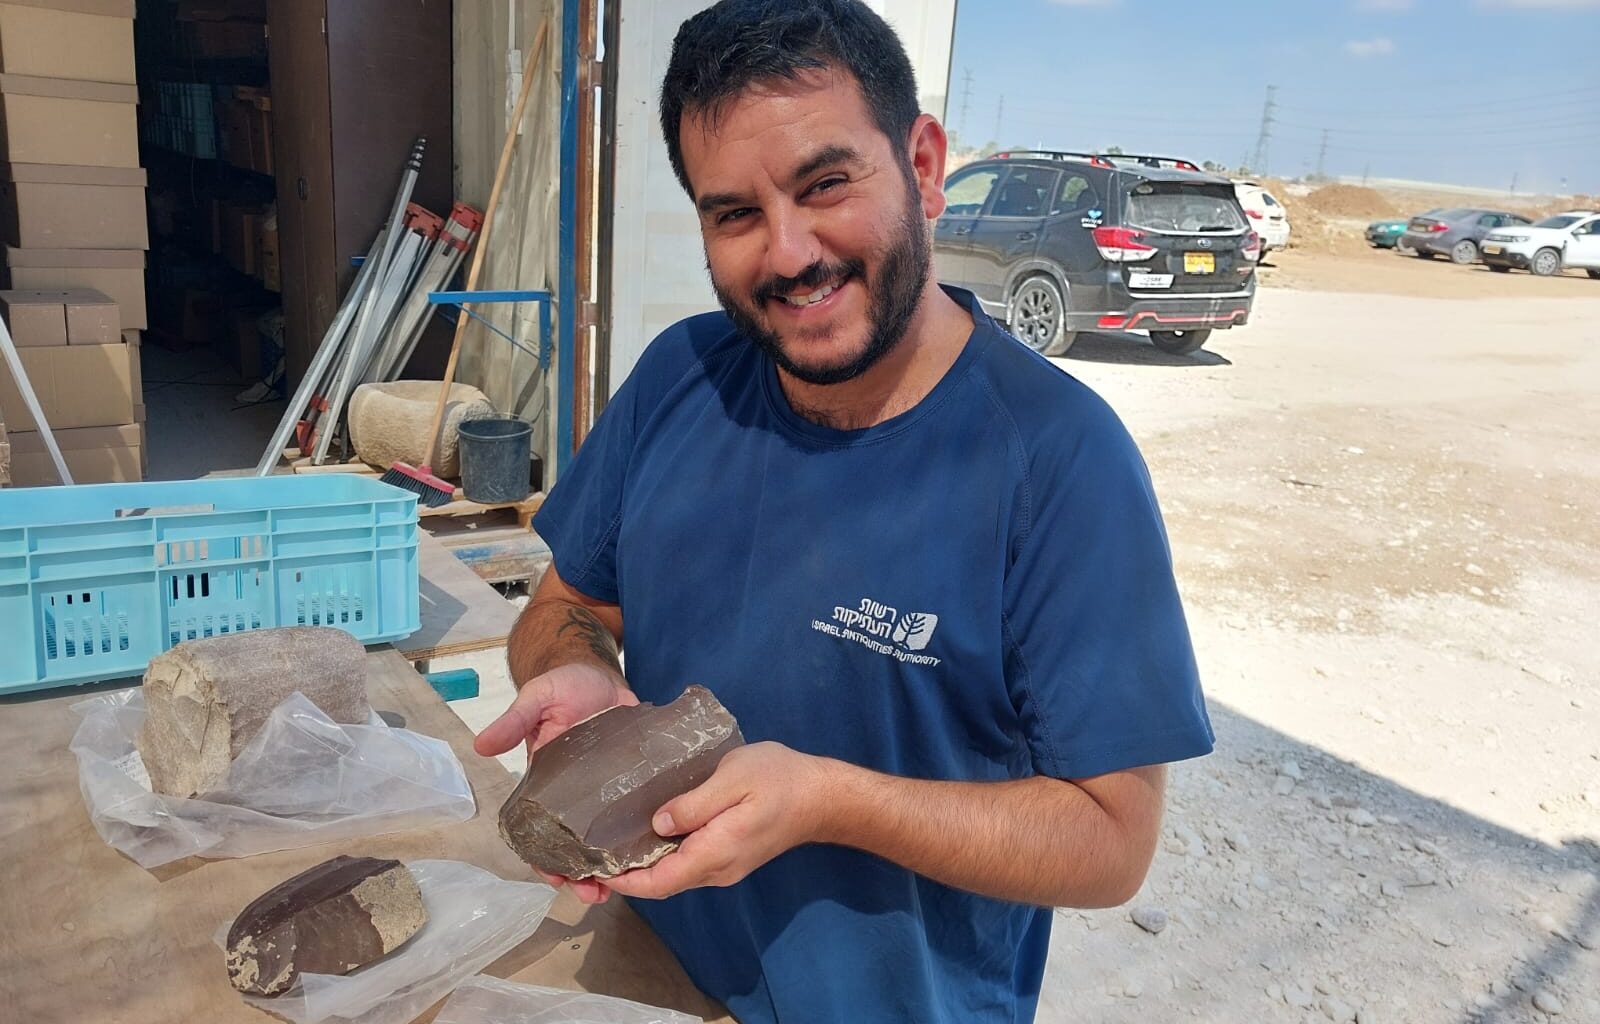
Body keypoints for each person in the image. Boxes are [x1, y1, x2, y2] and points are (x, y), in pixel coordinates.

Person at [474, 1, 1214, 1020]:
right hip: (646, 979)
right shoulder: (681, 378)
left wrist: (831, 801)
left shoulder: (1057, 460)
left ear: (922, 165)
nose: (788, 254)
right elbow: (566, 606)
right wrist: (576, 672)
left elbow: (1111, 842)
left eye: (825, 185)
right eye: (734, 214)